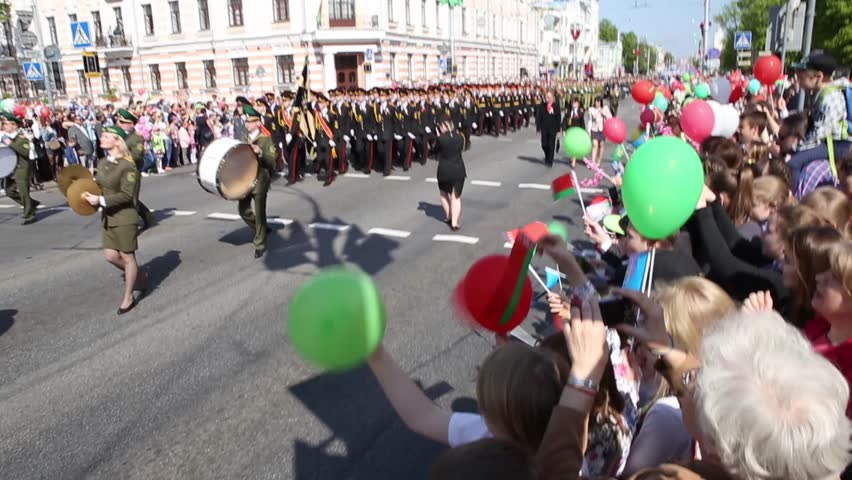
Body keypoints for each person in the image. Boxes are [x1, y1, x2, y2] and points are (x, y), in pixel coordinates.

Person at [80, 126, 149, 314]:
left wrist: (101, 200)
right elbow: (99, 185)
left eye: (106, 136)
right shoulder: (103, 162)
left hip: (125, 216)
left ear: (117, 141)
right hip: (108, 217)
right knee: (110, 256)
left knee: (128, 257)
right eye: (102, 135)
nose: (101, 138)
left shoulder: (128, 165)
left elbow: (127, 195)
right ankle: (140, 276)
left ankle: (128, 296)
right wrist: (88, 192)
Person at [239, 104, 278, 259]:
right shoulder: (244, 138)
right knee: (243, 210)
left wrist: (260, 152)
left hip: (261, 180)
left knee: (260, 212)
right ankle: (260, 228)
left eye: (250, 122)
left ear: (258, 123)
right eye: (246, 122)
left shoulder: (265, 139)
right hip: (246, 181)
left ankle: (260, 243)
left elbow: (272, 161)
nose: (247, 124)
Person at [116, 108, 155, 231]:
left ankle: (131, 227)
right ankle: (147, 215)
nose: (119, 124)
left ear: (131, 124)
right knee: (125, 197)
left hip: (131, 172)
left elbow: (137, 155)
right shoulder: (119, 136)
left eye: (122, 122)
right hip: (120, 171)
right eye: (119, 121)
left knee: (131, 199)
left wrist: (121, 155)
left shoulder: (136, 138)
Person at [2, 111, 40, 224]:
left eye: (6, 124)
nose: (4, 125)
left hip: (22, 168)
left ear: (14, 125)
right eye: (4, 124)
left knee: (24, 192)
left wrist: (11, 144)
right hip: (11, 170)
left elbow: (25, 152)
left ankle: (29, 214)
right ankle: (31, 204)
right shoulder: (6, 138)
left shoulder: (21, 138)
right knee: (9, 191)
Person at [434, 117, 466, 231]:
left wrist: (438, 137)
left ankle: (448, 216)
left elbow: (434, 151)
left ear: (443, 127)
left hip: (444, 170)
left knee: (443, 193)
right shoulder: (460, 137)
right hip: (458, 169)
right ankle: (455, 222)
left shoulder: (441, 139)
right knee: (456, 196)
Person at [536, 90, 561, 167]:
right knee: (544, 145)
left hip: (552, 129)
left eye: (549, 97)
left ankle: (550, 161)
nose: (548, 98)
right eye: (546, 97)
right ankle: (547, 155)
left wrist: (558, 130)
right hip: (544, 128)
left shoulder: (556, 106)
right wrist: (538, 128)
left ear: (552, 98)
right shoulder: (542, 106)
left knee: (551, 145)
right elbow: (538, 117)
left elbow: (558, 118)